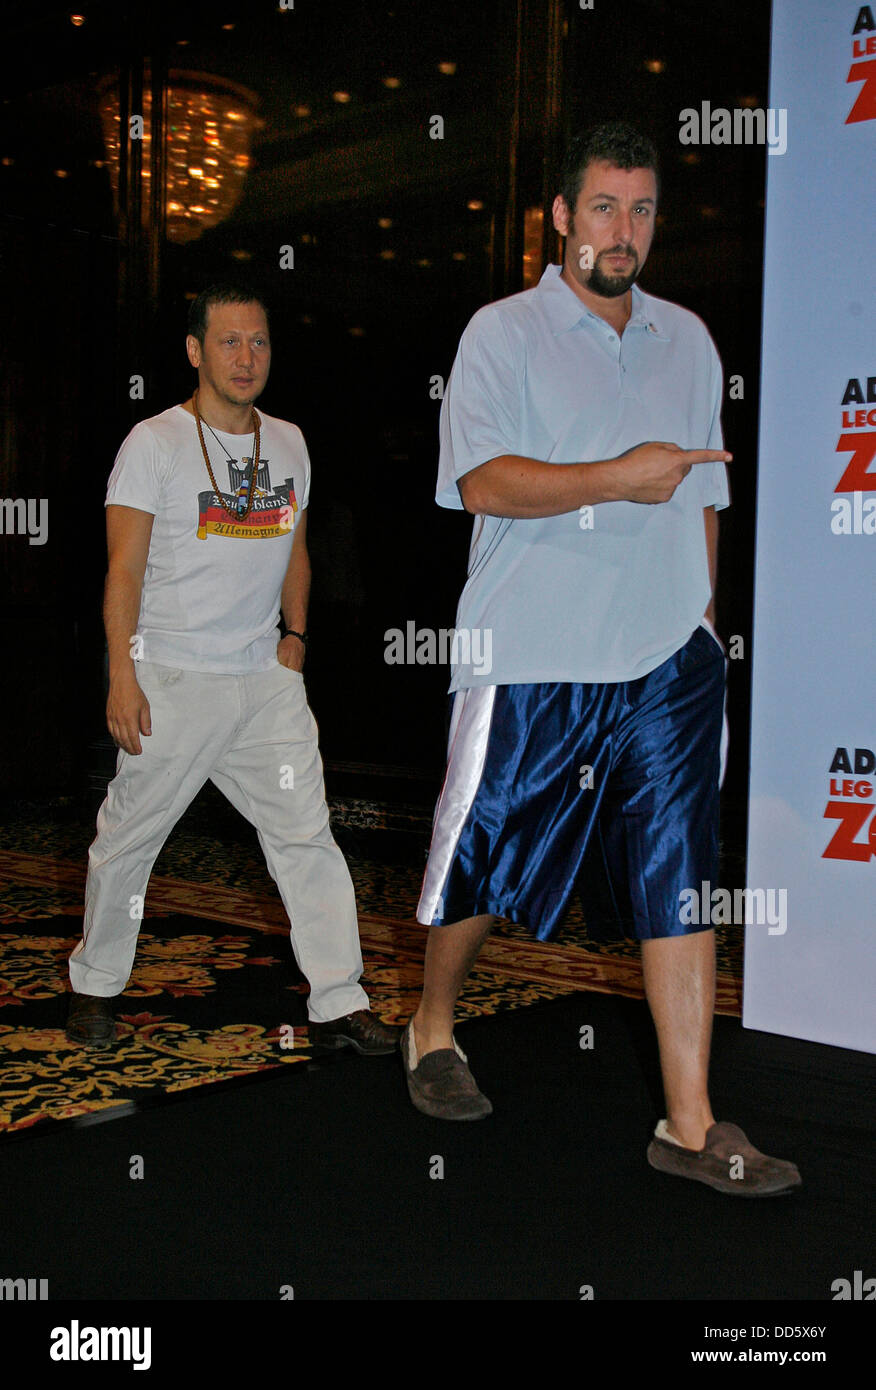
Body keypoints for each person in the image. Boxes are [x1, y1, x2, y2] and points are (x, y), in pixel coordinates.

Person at [401, 123, 800, 1197]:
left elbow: (706, 498)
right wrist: (616, 477)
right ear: (563, 219)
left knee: (681, 872)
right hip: (532, 647)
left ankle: (689, 1121)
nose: (625, 231)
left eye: (644, 210)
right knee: (484, 854)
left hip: (669, 654)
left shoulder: (690, 339)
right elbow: (481, 482)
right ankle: (434, 1024)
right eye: (606, 209)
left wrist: (705, 628)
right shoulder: (504, 331)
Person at [67, 283, 398, 1059]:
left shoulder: (289, 441)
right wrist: (122, 670)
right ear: (194, 351)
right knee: (128, 841)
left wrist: (298, 639)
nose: (246, 358)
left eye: (259, 342)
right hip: (172, 683)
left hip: (263, 687)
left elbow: (296, 548)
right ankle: (95, 986)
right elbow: (123, 570)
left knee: (307, 836)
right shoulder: (152, 444)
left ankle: (340, 997)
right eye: (229, 342)